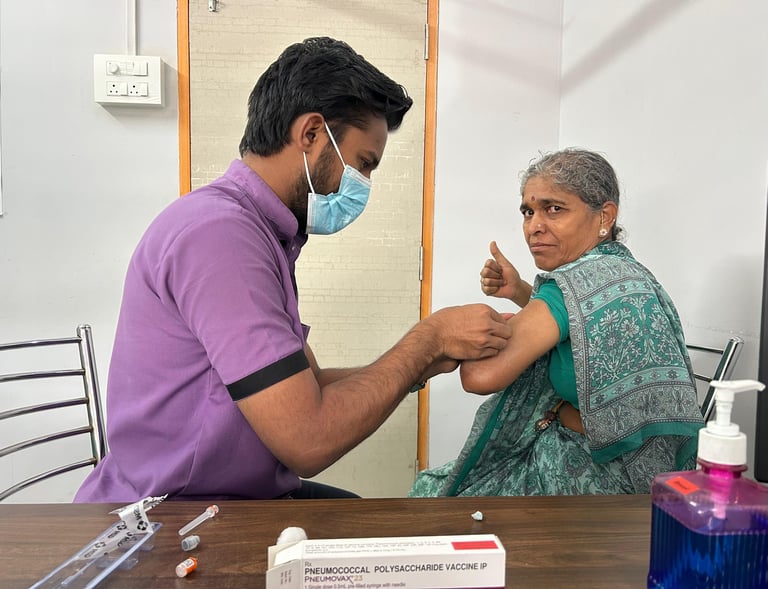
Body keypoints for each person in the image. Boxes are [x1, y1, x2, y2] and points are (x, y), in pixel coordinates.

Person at [75, 37, 512, 503]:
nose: (364, 185)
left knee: (359, 512)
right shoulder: (221, 238)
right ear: (311, 134)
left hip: (231, 492)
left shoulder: (262, 233)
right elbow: (308, 439)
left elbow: (310, 386)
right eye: (363, 164)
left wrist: (422, 364)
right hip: (179, 511)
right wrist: (428, 340)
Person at [410, 148, 704, 497]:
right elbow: (580, 331)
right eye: (528, 211)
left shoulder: (574, 283)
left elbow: (481, 377)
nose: (534, 227)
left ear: (604, 216)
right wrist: (520, 291)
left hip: (596, 479)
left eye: (554, 209)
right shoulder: (627, 273)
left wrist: (451, 337)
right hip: (652, 476)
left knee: (430, 491)